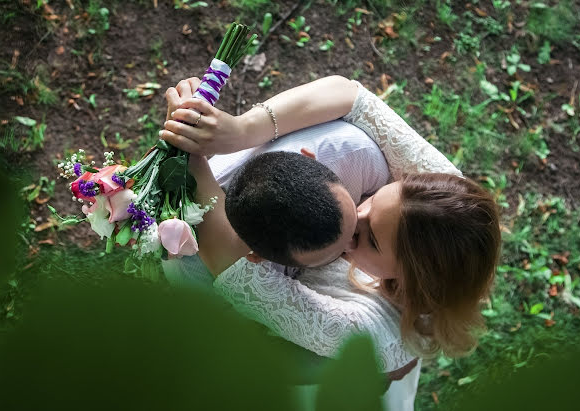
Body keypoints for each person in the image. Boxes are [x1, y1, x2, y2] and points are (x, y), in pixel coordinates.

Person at [160, 76, 501, 409]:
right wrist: (238, 131)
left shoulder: (368, 334)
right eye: (374, 201)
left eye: (370, 240)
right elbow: (352, 97)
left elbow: (237, 271)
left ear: (411, 279)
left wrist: (188, 152)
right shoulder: (444, 196)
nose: (358, 214)